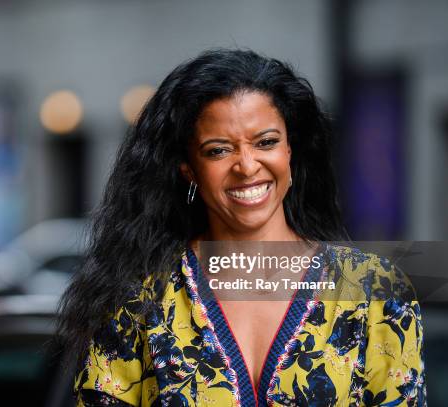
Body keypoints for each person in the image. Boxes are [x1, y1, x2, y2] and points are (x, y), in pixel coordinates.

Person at [57, 49, 426, 406]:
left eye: (266, 142)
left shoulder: (374, 290)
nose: (247, 166)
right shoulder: (137, 297)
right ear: (188, 168)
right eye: (219, 150)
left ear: (290, 151)